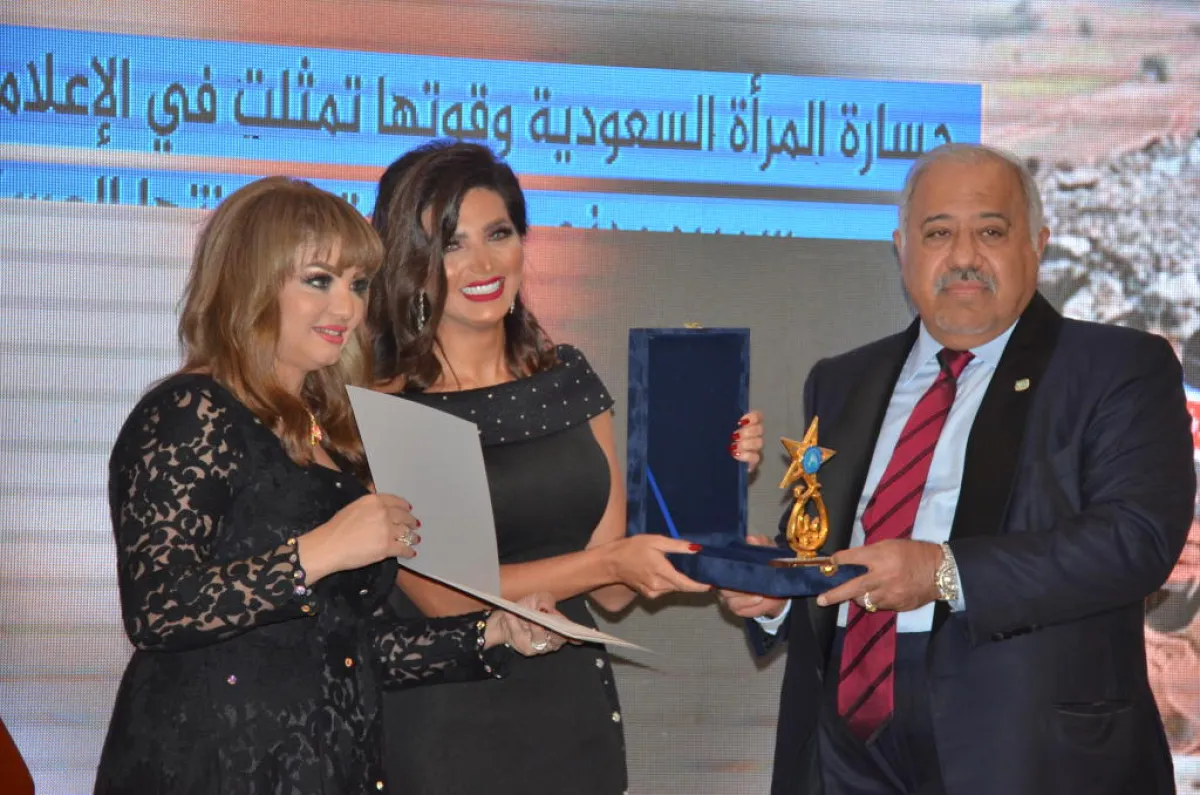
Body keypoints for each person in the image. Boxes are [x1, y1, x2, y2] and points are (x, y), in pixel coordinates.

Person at [720, 143, 1194, 795]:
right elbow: (821, 543)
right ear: (902, 249)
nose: (964, 256)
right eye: (938, 233)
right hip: (840, 746)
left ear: (1037, 245)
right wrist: (778, 593)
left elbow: (1134, 541)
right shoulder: (842, 380)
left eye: (990, 232)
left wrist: (942, 571)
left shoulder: (1118, 367)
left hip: (1023, 743)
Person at [93, 176, 568, 795]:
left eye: (358, 284)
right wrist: (323, 550)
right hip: (215, 766)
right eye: (319, 280)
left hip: (329, 767)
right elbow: (158, 609)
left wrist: (491, 631)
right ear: (250, 281)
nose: (347, 308)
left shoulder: (332, 433)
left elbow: (345, 647)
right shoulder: (192, 410)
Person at [367, 140, 764, 795]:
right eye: (452, 243)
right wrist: (612, 561)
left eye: (498, 233)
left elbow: (614, 590)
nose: (483, 263)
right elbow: (452, 597)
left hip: (574, 721)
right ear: (411, 261)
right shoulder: (394, 404)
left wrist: (704, 471)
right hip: (451, 731)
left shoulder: (567, 377)